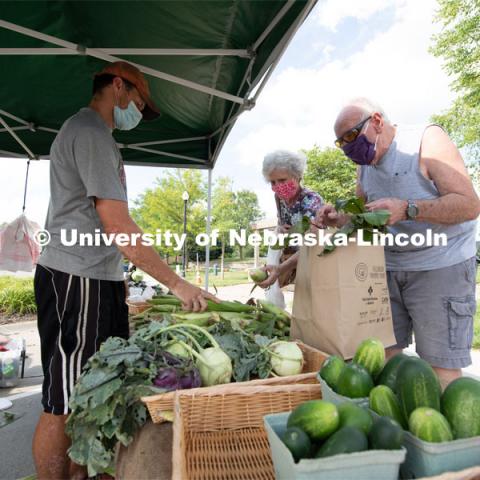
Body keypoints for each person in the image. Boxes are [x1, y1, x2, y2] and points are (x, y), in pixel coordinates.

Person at [33, 61, 217, 479]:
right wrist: (176, 283)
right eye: (137, 101)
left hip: (97, 279)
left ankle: (80, 473)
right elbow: (117, 224)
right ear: (118, 86)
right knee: (63, 398)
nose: (137, 111)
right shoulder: (91, 132)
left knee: (90, 392)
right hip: (76, 279)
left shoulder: (94, 136)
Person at [315, 97, 480, 387]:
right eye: (341, 143)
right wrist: (337, 218)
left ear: (377, 121)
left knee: (440, 368)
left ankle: (440, 432)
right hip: (388, 269)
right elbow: (364, 215)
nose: (349, 147)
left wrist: (408, 208)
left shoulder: (426, 141)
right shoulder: (365, 163)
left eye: (352, 136)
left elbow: (469, 205)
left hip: (440, 266)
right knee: (382, 357)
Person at [258, 150, 323, 295]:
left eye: (282, 180)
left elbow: (312, 245)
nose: (277, 186)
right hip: (293, 261)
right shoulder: (279, 198)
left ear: (297, 177)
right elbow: (281, 221)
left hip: (313, 262)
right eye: (272, 182)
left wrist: (280, 268)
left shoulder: (311, 201)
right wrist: (280, 228)